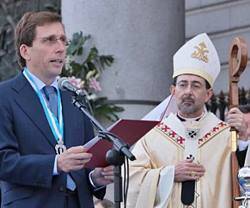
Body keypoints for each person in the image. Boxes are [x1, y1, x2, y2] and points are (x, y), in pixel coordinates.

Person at [0, 11, 113, 208]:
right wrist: (55, 164)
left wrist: (96, 178)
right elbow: (4, 161)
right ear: (25, 51)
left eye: (63, 40)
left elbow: (86, 160)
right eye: (49, 40)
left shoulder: (74, 97)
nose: (60, 48)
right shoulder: (5, 96)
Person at [126, 33, 249, 208]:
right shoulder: (151, 137)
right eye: (183, 84)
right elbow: (130, 180)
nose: (188, 91)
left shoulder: (226, 135)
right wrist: (169, 174)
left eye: (196, 85)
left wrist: (243, 139)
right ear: (173, 91)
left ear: (208, 95)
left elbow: (244, 179)